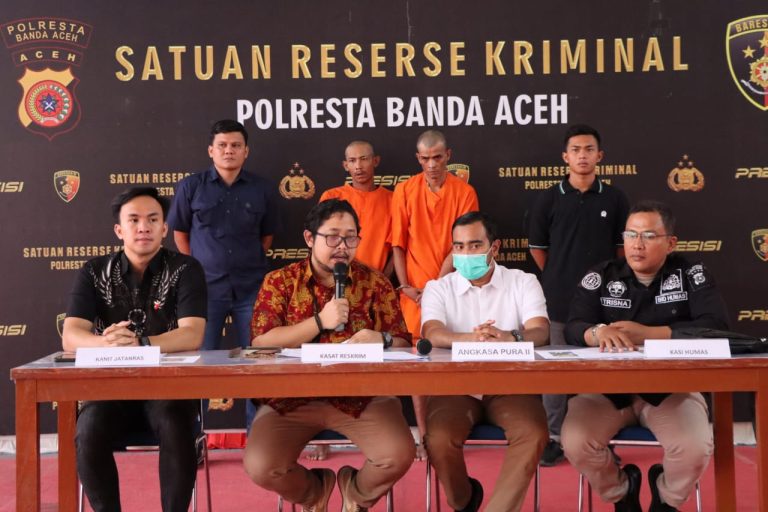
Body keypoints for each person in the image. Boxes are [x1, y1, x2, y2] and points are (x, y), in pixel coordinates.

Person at [244, 199, 415, 511]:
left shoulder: (375, 282)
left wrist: (383, 339)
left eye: (351, 238)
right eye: (333, 237)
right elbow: (261, 342)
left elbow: (404, 342)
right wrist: (320, 321)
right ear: (310, 238)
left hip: (363, 396)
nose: (343, 247)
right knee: (261, 466)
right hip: (292, 398)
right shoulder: (280, 281)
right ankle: (315, 492)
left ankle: (356, 493)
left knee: (398, 455)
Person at [561, 200, 729, 512]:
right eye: (630, 235)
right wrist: (597, 333)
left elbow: (716, 326)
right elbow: (573, 326)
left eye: (649, 236)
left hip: (672, 389)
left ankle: (665, 499)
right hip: (607, 390)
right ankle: (622, 491)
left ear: (671, 243)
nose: (637, 245)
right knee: (575, 441)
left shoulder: (691, 273)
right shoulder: (602, 275)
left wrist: (650, 333)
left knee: (693, 447)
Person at [62, 187, 207, 512]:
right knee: (88, 429)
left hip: (168, 389)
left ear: (164, 228)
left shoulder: (186, 269)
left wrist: (140, 343)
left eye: (153, 220)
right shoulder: (93, 271)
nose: (144, 227)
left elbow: (192, 334)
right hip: (110, 389)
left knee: (174, 422)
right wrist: (106, 342)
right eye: (134, 220)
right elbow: (71, 336)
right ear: (119, 229)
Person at [420, 211, 550, 512]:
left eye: (475, 245)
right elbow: (432, 333)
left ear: (495, 248)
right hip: (455, 388)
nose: (466, 254)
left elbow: (541, 331)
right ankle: (464, 500)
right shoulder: (438, 288)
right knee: (438, 439)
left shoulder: (523, 282)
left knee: (533, 433)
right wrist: (473, 338)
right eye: (459, 246)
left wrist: (510, 337)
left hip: (510, 386)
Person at [528, 124, 629, 465]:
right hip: (557, 298)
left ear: (600, 156)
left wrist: (598, 283)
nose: (582, 155)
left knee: (600, 371)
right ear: (565, 157)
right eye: (576, 150)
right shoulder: (549, 197)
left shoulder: (615, 198)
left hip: (603, 304)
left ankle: (597, 437)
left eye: (589, 149)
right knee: (554, 373)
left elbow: (621, 250)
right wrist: (560, 275)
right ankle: (554, 438)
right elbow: (538, 249)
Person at [168, 119, 280, 351]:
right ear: (211, 150)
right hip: (205, 288)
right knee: (203, 355)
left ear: (246, 151)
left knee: (256, 353)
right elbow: (180, 233)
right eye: (222, 145)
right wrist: (197, 267)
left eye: (236, 145)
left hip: (251, 287)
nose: (229, 150)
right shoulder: (191, 186)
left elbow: (267, 236)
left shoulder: (262, 188)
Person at [392, 129, 479, 340]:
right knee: (411, 345)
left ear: (448, 155)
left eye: (437, 157)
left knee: (451, 344)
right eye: (425, 158)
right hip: (414, 294)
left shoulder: (465, 193)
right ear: (418, 158)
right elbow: (397, 243)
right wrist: (404, 286)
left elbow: (461, 246)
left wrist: (437, 287)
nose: (431, 165)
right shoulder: (404, 190)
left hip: (452, 288)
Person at [319, 140, 393, 274]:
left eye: (364, 159)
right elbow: (320, 242)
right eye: (352, 161)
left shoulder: (392, 200)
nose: (358, 166)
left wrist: (383, 280)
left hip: (374, 280)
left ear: (375, 161)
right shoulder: (332, 196)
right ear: (346, 165)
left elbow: (398, 247)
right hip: (335, 277)